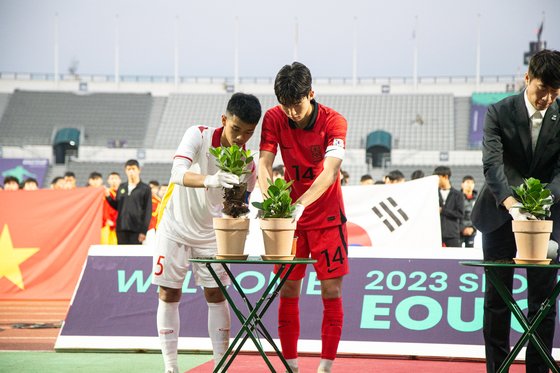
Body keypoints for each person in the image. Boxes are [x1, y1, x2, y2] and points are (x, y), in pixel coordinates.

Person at [152, 92, 262, 373]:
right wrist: (210, 180)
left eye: (248, 133)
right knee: (168, 293)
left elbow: (240, 205)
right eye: (236, 129)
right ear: (224, 120)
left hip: (212, 234)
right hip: (175, 226)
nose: (240, 138)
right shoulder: (198, 135)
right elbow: (177, 173)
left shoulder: (248, 162)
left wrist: (245, 211)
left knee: (216, 295)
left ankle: (220, 365)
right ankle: (171, 367)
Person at [471, 49, 560, 372]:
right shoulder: (498, 112)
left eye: (555, 92)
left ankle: (538, 368)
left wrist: (538, 206)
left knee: (543, 302)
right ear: (527, 79)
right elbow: (493, 165)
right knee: (497, 301)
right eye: (542, 89)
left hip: (547, 220)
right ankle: (497, 368)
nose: (547, 98)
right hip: (498, 217)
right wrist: (512, 205)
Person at [258, 61, 348, 373]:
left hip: (327, 217)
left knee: (331, 291)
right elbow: (265, 165)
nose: (292, 114)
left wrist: (300, 205)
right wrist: (274, 200)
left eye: (296, 106)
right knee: (287, 290)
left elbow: (329, 172)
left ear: (311, 94)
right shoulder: (273, 118)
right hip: (289, 222)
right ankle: (291, 365)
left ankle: (325, 367)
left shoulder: (334, 122)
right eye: (286, 107)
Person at [105, 159, 152, 244]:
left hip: (136, 230)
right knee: (121, 255)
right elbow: (118, 206)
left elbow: (148, 212)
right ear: (125, 171)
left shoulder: (145, 189)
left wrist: (143, 231)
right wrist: (108, 197)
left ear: (139, 170)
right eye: (128, 169)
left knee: (135, 255)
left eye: (133, 169)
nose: (131, 172)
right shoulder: (122, 187)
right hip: (121, 228)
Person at [433, 166, 464, 247]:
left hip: (452, 234)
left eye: (438, 177)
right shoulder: (433, 193)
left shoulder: (458, 195)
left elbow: (460, 214)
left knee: (455, 257)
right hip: (436, 234)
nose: (436, 180)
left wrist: (442, 211)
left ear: (445, 176)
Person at [102, 172, 121, 245]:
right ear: (108, 181)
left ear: (120, 180)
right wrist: (107, 219)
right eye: (112, 178)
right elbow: (104, 208)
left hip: (119, 225)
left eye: (116, 179)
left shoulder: (123, 194)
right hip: (108, 224)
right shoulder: (106, 193)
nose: (114, 181)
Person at [460, 175, 478, 248]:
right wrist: (462, 228)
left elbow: (479, 216)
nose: (469, 185)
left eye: (472, 183)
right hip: (458, 231)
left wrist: (473, 229)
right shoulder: (456, 197)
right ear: (462, 184)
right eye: (467, 182)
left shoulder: (478, 199)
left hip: (472, 231)